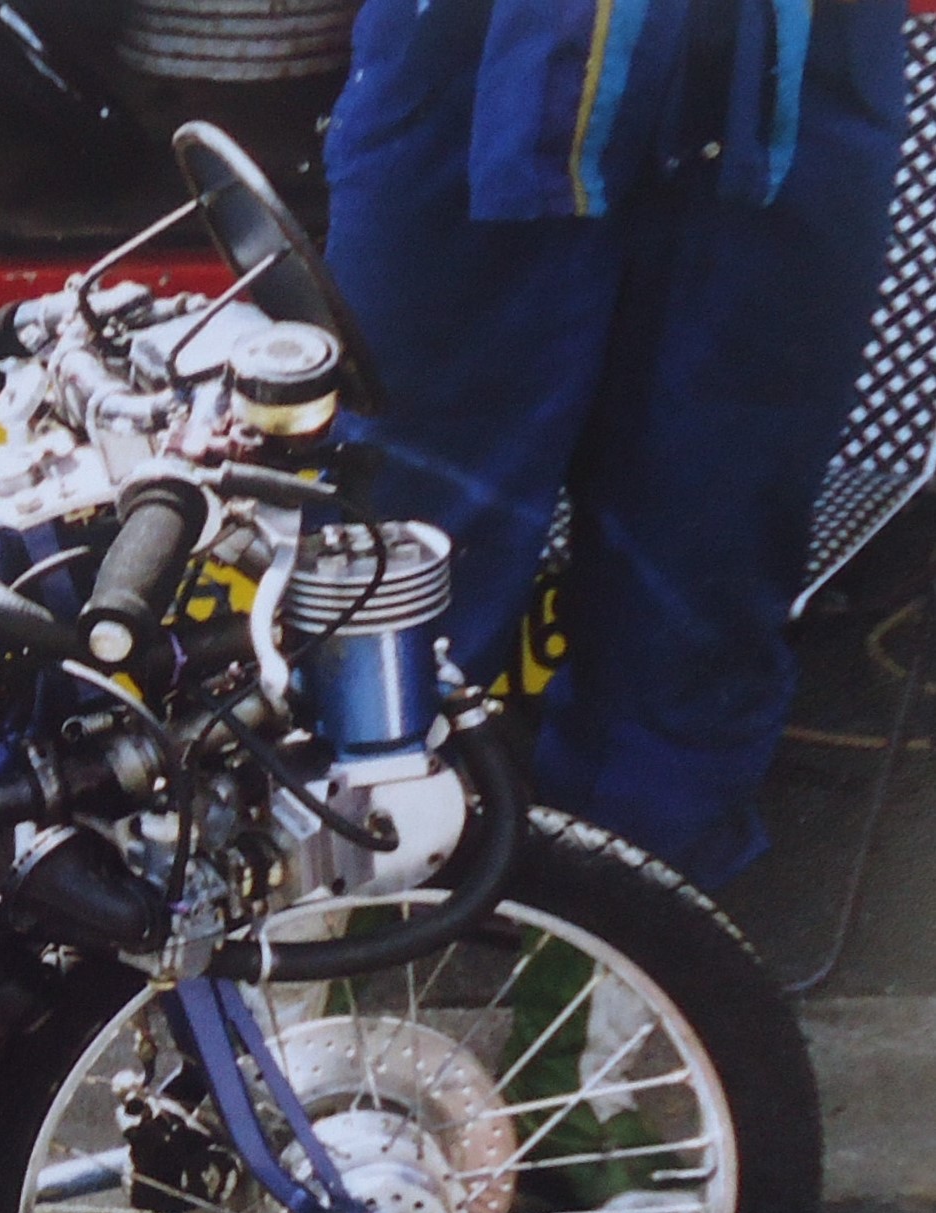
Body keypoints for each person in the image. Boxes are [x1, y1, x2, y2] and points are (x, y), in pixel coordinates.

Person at [323, 0, 908, 889]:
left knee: (707, 572)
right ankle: (341, 933)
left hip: (787, 88)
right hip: (474, 71)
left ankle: (633, 946)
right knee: (398, 568)